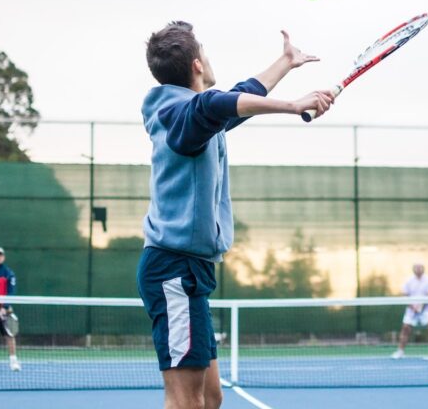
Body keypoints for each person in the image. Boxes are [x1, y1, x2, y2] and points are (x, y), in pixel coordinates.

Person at [137, 22, 333, 409]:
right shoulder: (181, 116)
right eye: (205, 53)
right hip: (173, 270)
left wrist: (285, 63)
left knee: (211, 398)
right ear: (197, 65)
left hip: (193, 271)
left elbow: (237, 97)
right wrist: (295, 105)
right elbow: (216, 103)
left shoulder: (194, 117)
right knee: (185, 400)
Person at [391, 263, 428, 360]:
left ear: (423, 269)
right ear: (413, 269)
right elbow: (405, 295)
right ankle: (400, 351)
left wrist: (421, 305)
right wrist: (413, 307)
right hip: (411, 310)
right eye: (416, 267)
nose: (418, 269)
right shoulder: (409, 280)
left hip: (427, 309)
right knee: (405, 328)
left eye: (420, 267)